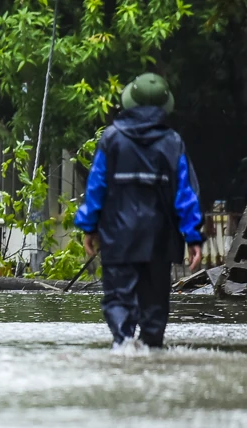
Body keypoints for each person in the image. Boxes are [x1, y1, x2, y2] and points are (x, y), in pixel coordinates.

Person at [74, 72, 203, 350]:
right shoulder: (173, 142)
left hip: (118, 238)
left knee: (119, 300)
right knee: (155, 306)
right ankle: (152, 354)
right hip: (159, 240)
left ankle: (123, 347)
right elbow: (186, 194)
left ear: (130, 102)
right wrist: (192, 237)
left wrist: (90, 227)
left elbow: (96, 188)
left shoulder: (111, 139)